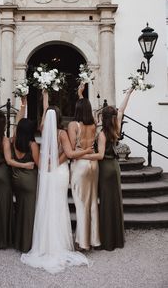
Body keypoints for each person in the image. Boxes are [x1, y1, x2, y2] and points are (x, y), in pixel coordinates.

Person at [21, 91, 93, 274]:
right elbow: (68, 153)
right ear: (60, 117)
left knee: (46, 205)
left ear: (47, 118)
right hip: (58, 171)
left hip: (46, 172)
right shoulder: (61, 133)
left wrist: (44, 97)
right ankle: (59, 244)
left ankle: (44, 244)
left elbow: (45, 113)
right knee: (59, 205)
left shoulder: (44, 128)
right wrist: (57, 163)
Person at [0, 94, 34, 249]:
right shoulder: (4, 140)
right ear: (4, 124)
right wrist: (26, 166)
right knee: (3, 205)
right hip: (3, 174)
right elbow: (10, 161)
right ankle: (2, 240)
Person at [86, 88, 134, 251]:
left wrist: (83, 156)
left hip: (105, 168)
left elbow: (99, 155)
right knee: (115, 201)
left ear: (102, 117)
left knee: (105, 202)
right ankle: (117, 238)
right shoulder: (115, 129)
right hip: (115, 167)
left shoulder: (102, 134)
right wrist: (128, 93)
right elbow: (121, 110)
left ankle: (107, 240)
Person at [68, 83, 100, 250]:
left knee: (81, 204)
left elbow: (72, 149)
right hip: (94, 163)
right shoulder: (93, 124)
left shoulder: (74, 126)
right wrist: (81, 94)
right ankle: (94, 240)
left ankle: (83, 242)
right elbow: (86, 107)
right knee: (93, 202)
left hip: (80, 164)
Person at [11, 96, 40, 253]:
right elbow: (39, 163)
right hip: (29, 180)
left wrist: (23, 105)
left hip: (16, 179)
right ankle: (26, 244)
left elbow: (17, 124)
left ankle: (18, 241)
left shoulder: (15, 140)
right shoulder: (32, 144)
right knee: (29, 212)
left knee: (20, 209)